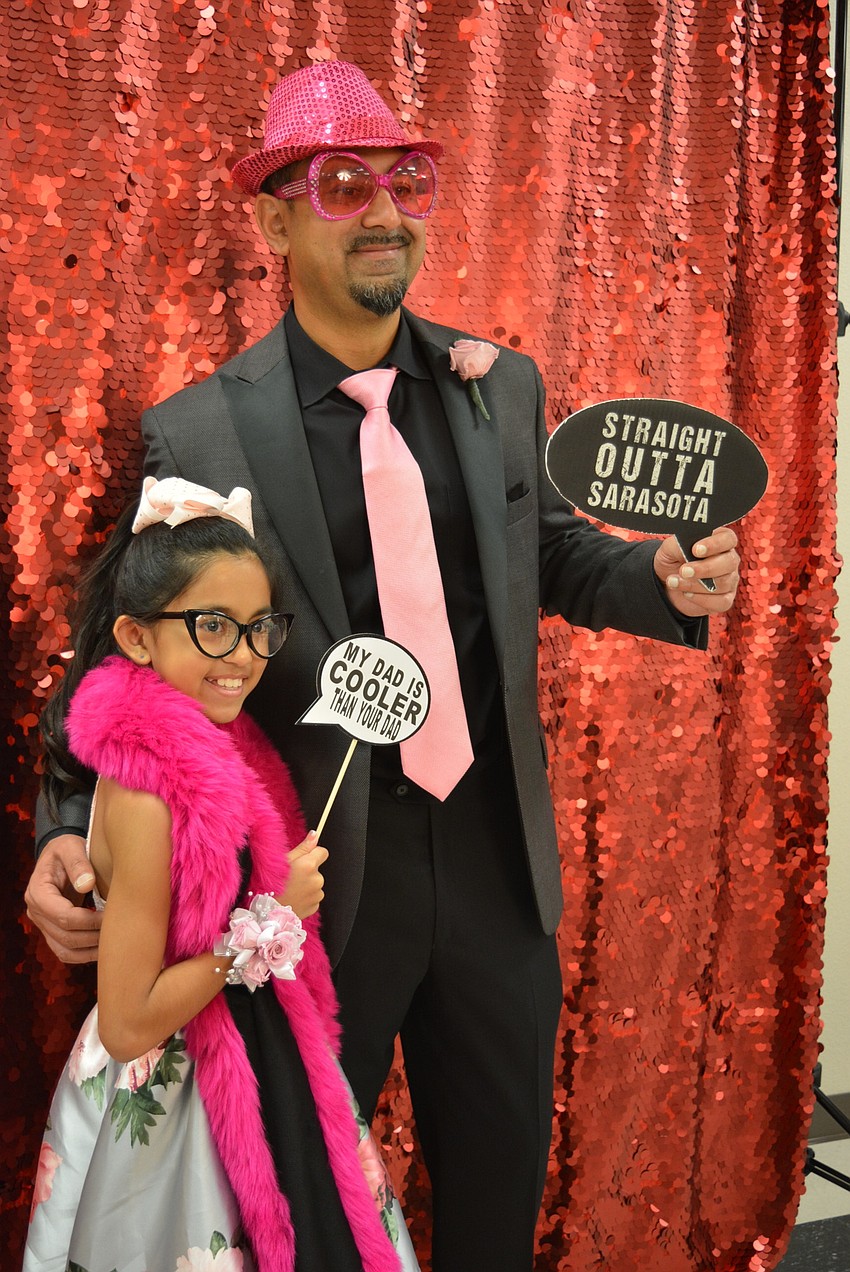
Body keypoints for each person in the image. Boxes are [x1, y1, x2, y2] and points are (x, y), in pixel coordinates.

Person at [26, 62, 741, 1271]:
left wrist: (659, 581)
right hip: (312, 877)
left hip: (495, 867)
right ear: (274, 218)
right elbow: (127, 642)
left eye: (406, 182)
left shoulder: (495, 385)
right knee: (309, 1217)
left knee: (491, 1202)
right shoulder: (203, 426)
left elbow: (550, 556)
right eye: (344, 186)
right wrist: (65, 824)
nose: (386, 213)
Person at [24, 477, 417, 1272]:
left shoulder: (217, 748)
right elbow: (131, 1019)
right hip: (180, 1094)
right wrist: (270, 920)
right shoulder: (146, 791)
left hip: (263, 1054)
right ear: (138, 638)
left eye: (258, 628)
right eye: (211, 628)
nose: (242, 656)